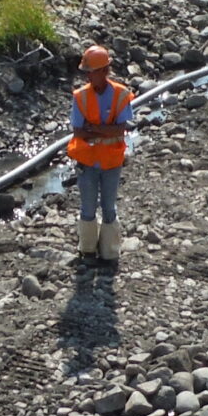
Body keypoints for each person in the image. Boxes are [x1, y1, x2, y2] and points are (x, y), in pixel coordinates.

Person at [68, 44, 134, 262]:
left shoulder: (120, 94)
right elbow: (78, 131)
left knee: (109, 207)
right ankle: (87, 249)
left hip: (111, 161)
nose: (89, 76)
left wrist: (94, 129)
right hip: (87, 161)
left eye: (92, 72)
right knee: (87, 207)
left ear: (104, 71)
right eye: (87, 72)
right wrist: (107, 130)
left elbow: (121, 128)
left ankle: (109, 252)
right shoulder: (81, 97)